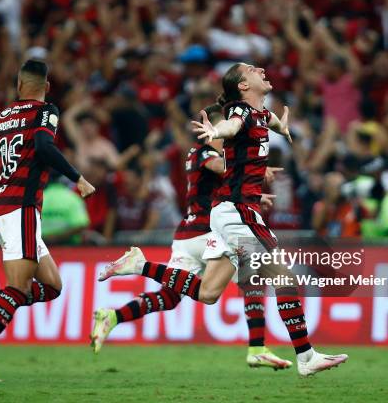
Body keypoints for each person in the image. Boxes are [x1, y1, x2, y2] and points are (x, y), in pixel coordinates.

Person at [99, 63, 347, 376]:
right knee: (283, 277)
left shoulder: (259, 113)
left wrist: (280, 127)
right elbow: (231, 126)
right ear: (243, 87)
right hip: (236, 212)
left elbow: (266, 120)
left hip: (228, 212)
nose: (260, 69)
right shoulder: (240, 113)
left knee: (208, 293)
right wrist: (217, 131)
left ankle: (140, 266)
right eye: (251, 70)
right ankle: (304, 355)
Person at [91, 104, 290, 370]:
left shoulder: (198, 154)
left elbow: (225, 186)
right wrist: (250, 165)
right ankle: (257, 348)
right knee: (250, 276)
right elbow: (220, 167)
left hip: (188, 234)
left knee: (170, 297)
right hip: (208, 233)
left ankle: (112, 316)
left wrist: (254, 195)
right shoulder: (205, 152)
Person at [0, 59, 95, 381]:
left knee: (53, 285)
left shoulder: (0, 118)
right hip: (21, 207)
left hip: (5, 206)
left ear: (18, 86)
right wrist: (78, 178)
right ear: (46, 87)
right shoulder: (46, 112)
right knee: (18, 289)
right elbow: (45, 147)